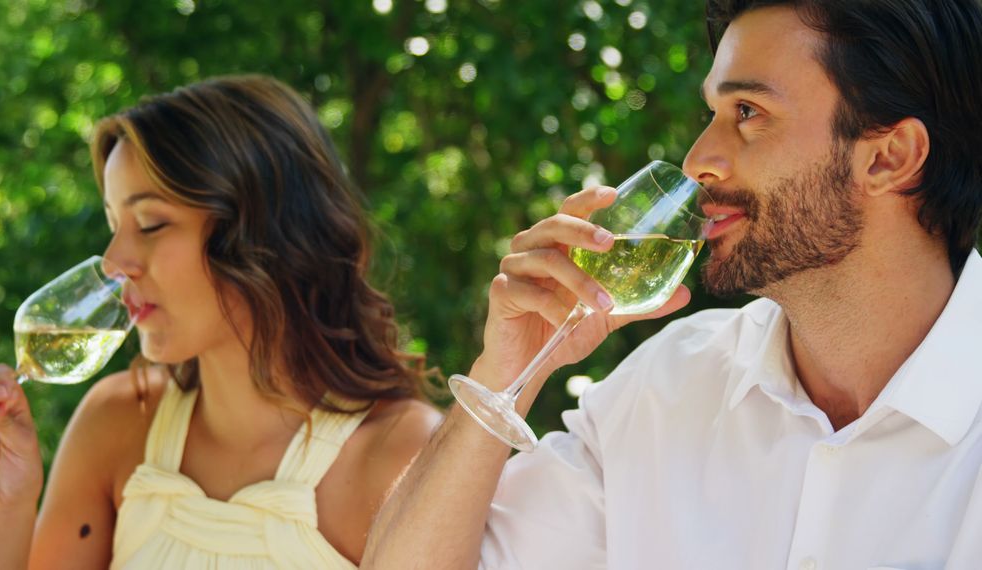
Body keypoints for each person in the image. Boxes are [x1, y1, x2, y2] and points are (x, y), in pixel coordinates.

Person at [363, 0, 982, 568]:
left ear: (888, 157)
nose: (697, 160)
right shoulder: (664, 389)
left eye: (747, 113)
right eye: (712, 113)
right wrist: (507, 373)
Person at [0, 74, 441, 569]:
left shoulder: (403, 454)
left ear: (261, 231)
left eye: (151, 224)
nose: (115, 262)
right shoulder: (115, 424)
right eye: (115, 226)